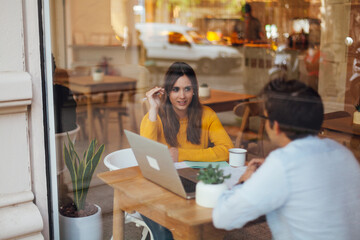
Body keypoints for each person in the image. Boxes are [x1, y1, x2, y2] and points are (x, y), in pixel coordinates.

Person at [213, 78, 360, 240]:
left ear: (274, 126)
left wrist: (244, 181)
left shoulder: (283, 164)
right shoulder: (342, 153)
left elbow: (223, 217)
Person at [140, 61, 233, 162]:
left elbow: (228, 150)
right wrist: (153, 109)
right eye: (175, 89)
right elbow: (146, 155)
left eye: (187, 89)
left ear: (194, 91)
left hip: (196, 176)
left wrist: (180, 154)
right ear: (167, 92)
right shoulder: (153, 117)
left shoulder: (207, 114)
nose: (182, 96)